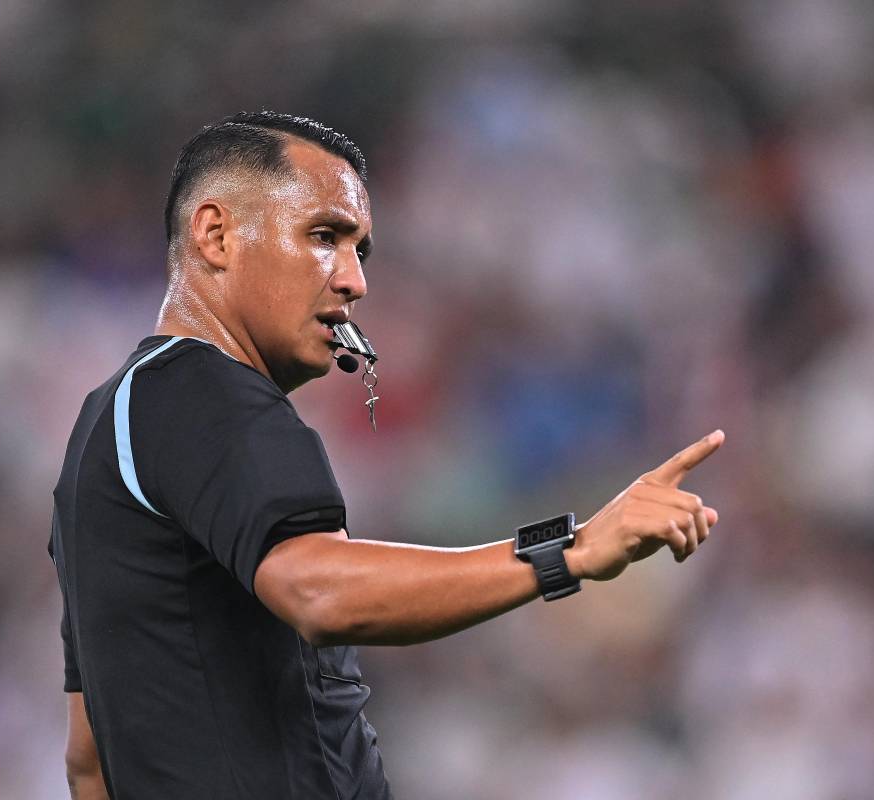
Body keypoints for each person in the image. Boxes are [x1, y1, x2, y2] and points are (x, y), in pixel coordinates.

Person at [49, 111, 724, 800]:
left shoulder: (104, 428)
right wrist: (568, 550)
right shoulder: (208, 391)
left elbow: (88, 757)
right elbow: (320, 592)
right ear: (217, 235)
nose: (354, 281)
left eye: (358, 251)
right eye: (323, 237)